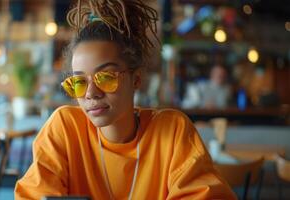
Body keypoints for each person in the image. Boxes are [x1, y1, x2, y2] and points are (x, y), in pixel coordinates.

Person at [15, 0, 236, 199]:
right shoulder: (65, 128)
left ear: (136, 78)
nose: (91, 93)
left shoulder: (172, 131)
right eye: (79, 82)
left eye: (106, 77)